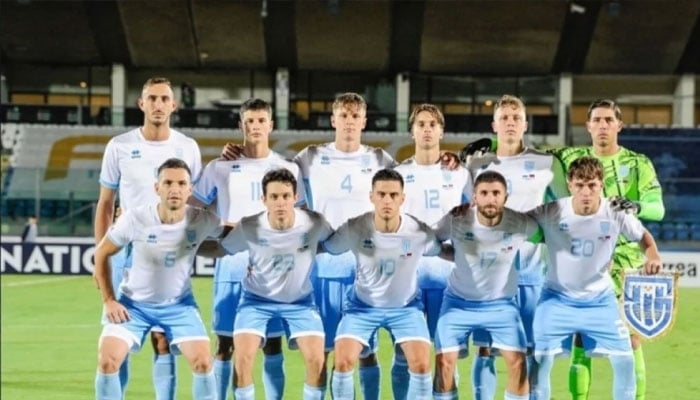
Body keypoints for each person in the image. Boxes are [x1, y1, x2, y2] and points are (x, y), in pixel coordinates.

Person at [460, 98, 664, 400]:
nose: (603, 125)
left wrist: (638, 206)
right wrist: (490, 141)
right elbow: (514, 144)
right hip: (565, 268)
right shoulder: (569, 156)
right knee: (575, 347)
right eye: (597, 119)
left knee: (631, 346)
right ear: (588, 125)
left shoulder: (638, 163)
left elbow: (657, 209)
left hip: (624, 266)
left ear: (619, 125)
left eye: (609, 120)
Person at [94, 77, 202, 400]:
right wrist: (102, 252)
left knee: (164, 339)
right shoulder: (120, 146)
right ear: (141, 104)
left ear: (173, 105)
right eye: (151, 98)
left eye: (164, 98)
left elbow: (193, 201)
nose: (157, 104)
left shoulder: (187, 147)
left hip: (168, 249)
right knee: (118, 336)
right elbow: (105, 203)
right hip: (125, 249)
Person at [191, 98, 303, 400]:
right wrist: (219, 227)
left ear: (271, 125)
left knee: (272, 344)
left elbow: (302, 215)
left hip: (276, 268)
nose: (255, 126)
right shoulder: (220, 167)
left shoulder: (288, 168)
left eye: (260, 120)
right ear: (241, 126)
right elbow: (193, 208)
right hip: (232, 263)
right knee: (225, 343)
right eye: (249, 121)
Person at [527, 156, 662, 400]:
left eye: (592, 185)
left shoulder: (614, 211)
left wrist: (653, 256)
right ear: (569, 184)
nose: (586, 192)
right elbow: (514, 225)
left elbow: (643, 237)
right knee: (539, 362)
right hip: (556, 300)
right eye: (580, 185)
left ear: (601, 184)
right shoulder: (552, 211)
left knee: (625, 363)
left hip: (600, 301)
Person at [466, 95, 569, 399]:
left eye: (516, 117)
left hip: (532, 271)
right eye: (505, 117)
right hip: (488, 274)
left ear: (525, 124)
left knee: (536, 348)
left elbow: (566, 209)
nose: (510, 122)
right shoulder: (477, 163)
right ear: (494, 124)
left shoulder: (546, 163)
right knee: (485, 348)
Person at [294, 92, 396, 399]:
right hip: (322, 269)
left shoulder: (380, 159)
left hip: (366, 271)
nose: (349, 122)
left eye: (355, 116)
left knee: (366, 351)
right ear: (333, 120)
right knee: (319, 354)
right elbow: (273, 176)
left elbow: (411, 184)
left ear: (364, 121)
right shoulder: (310, 157)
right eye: (344, 115)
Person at [93, 158, 221, 400]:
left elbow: (236, 235)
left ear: (190, 189)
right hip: (133, 306)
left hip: (179, 306)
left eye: (182, 183)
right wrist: (109, 299)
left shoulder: (202, 219)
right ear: (157, 188)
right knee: (108, 360)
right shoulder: (136, 218)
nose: (175, 189)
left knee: (204, 362)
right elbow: (102, 252)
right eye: (168, 182)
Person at [210, 168, 331, 400]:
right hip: (256, 301)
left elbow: (334, 242)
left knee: (317, 361)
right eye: (274, 197)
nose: (280, 202)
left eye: (286, 196)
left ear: (295, 198)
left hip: (301, 302)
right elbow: (221, 249)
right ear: (264, 199)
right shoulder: (250, 226)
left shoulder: (314, 222)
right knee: (243, 360)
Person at [323, 168, 445, 400]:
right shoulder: (354, 228)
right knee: (342, 361)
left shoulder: (418, 232)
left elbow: (444, 251)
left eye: (393, 195)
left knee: (420, 364)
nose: (387, 200)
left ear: (402, 198)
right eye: (381, 194)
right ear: (371, 196)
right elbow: (327, 246)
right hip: (361, 307)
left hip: (406, 308)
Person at [432, 170, 539, 400]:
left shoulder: (520, 223)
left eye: (496, 193)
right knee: (444, 363)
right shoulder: (457, 219)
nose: (490, 199)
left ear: (505, 197)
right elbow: (432, 241)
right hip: (457, 304)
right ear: (474, 197)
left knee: (519, 363)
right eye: (484, 193)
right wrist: (455, 255)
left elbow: (553, 232)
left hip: (501, 307)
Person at [393, 103, 473, 399]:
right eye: (421, 124)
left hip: (448, 276)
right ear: (412, 131)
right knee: (405, 356)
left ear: (441, 130)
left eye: (432, 124)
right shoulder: (397, 173)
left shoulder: (461, 173)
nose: (427, 129)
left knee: (446, 355)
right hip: (407, 277)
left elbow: (474, 219)